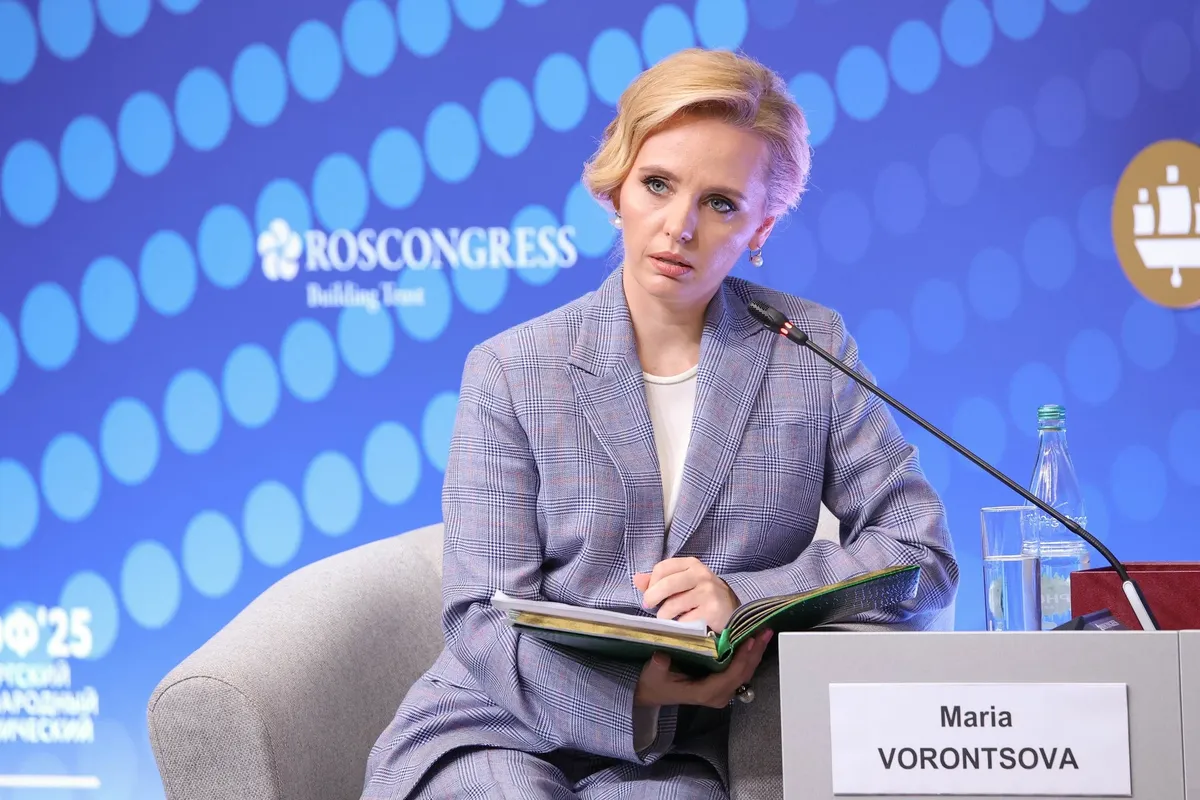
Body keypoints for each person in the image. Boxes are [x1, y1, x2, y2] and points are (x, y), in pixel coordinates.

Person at [360, 47, 959, 800]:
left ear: (762, 226)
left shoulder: (808, 349)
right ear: (617, 186)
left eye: (721, 203)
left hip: (684, 747)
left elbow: (920, 555)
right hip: (495, 725)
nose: (679, 227)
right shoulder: (511, 369)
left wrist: (747, 597)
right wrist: (629, 696)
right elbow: (480, 616)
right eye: (658, 184)